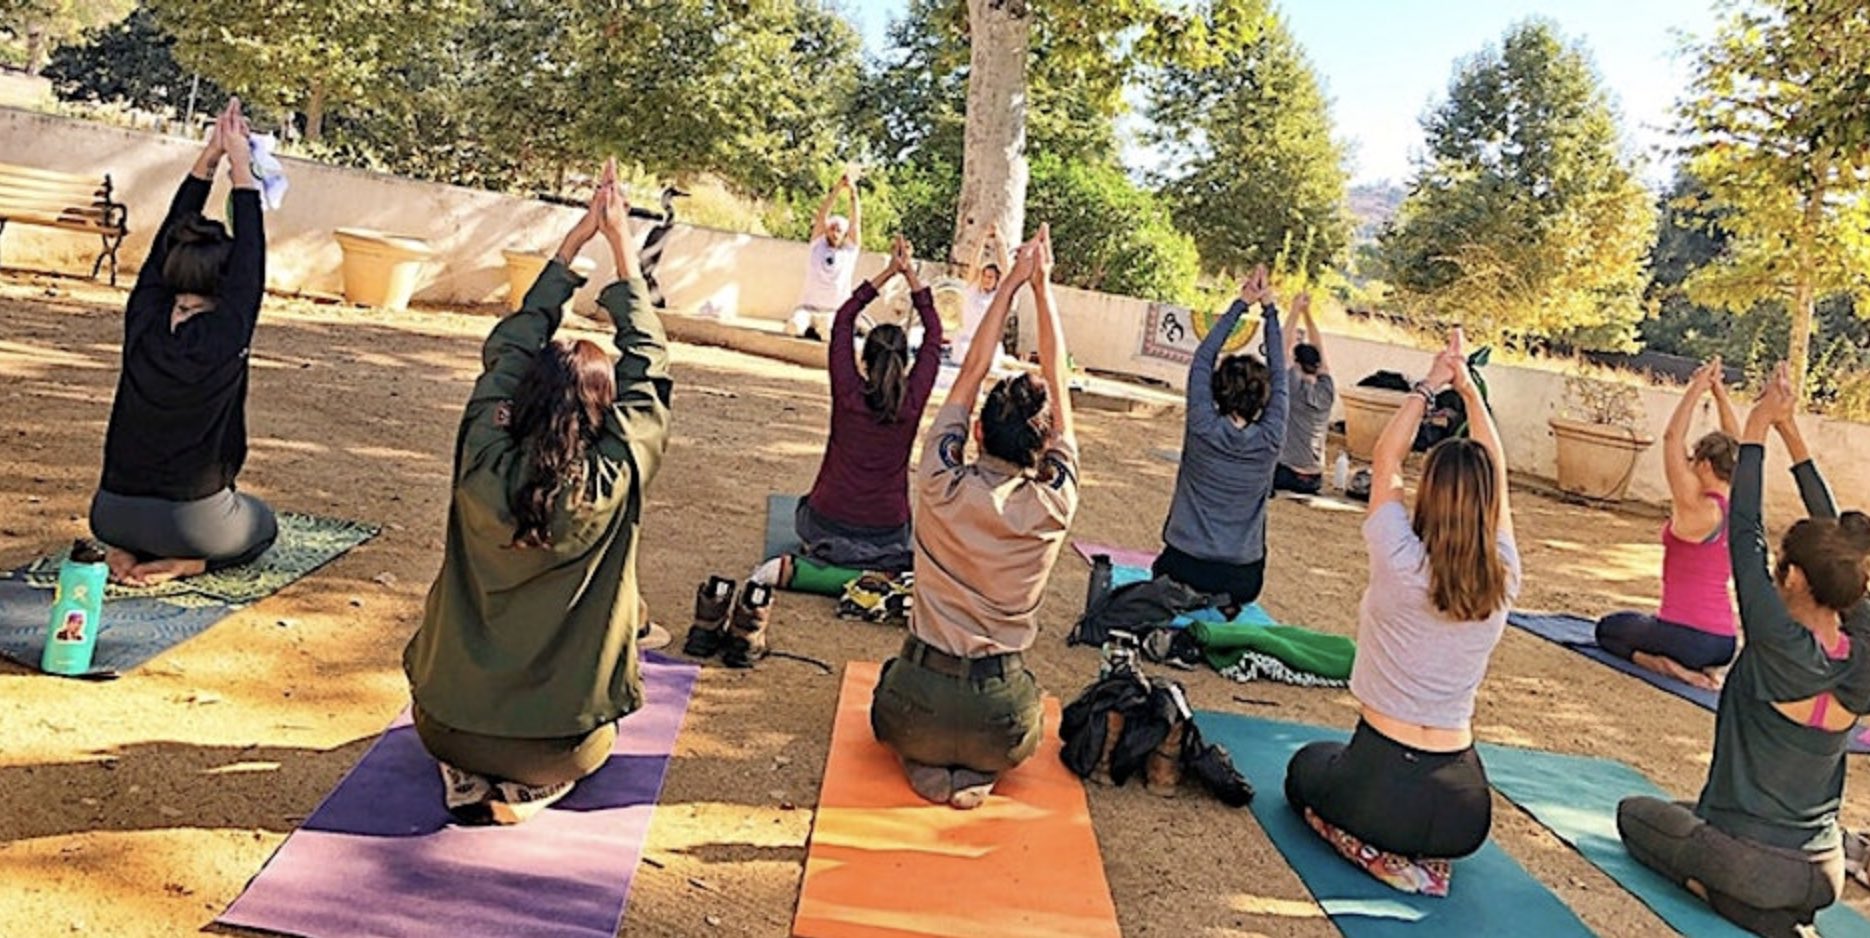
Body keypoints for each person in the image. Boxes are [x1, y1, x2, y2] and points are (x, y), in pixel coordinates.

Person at [403, 160, 673, 825]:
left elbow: (508, 350)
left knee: (451, 718)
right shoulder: (614, 471)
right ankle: (532, 788)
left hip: (444, 730)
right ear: (602, 413)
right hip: (563, 746)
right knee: (596, 738)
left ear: (520, 402)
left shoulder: (482, 454)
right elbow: (650, 370)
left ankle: (467, 774)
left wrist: (571, 249)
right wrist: (623, 254)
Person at [1618, 364, 1870, 937]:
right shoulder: (1863, 649)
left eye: (1784, 573)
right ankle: (1772, 907)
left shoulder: (1776, 637)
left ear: (1798, 580)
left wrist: (1759, 428)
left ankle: (1730, 899)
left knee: (1635, 814)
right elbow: (1841, 549)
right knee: (1686, 812)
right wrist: (1790, 432)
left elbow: (1746, 528)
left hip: (1750, 863)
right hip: (1823, 871)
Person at [1285, 329, 1518, 869]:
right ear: (1489, 504)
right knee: (1335, 772)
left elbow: (1387, 457)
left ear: (1429, 494)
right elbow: (1497, 474)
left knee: (1306, 768)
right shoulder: (1503, 573)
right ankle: (1417, 861)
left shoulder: (1400, 558)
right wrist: (1470, 392)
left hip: (1379, 786)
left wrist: (1431, 384)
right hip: (1465, 812)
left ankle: (1375, 850)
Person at [870, 225, 1078, 810]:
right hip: (999, 716)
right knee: (1021, 709)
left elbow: (968, 375)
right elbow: (1059, 390)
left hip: (917, 703)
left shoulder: (939, 482)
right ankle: (977, 765)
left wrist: (1011, 282)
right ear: (1043, 449)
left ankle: (926, 755)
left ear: (978, 432)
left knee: (893, 687)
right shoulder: (1052, 503)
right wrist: (1045, 290)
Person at [684, 234, 943, 667]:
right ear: (904, 361)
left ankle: (796, 570)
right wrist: (911, 276)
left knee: (806, 514)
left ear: (864, 360)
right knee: (905, 557)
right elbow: (935, 333)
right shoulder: (912, 402)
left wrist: (885, 274)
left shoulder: (848, 392)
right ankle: (859, 573)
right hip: (886, 536)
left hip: (823, 523)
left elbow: (843, 320)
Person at [90, 98, 278, 587]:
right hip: (191, 524)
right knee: (263, 524)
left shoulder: (144, 318)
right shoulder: (226, 331)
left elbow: (162, 248)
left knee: (154, 512)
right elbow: (251, 258)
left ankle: (125, 552)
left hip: (109, 515)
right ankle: (189, 562)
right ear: (226, 284)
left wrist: (210, 160)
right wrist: (241, 165)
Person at [1596, 358, 1741, 690]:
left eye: (1693, 461)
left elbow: (1673, 437)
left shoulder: (1696, 507)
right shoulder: (1741, 502)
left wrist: (1696, 388)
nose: (1688, 466)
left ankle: (1671, 668)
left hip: (1686, 639)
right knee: (1647, 624)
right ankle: (1698, 668)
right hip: (1724, 643)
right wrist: (1718, 392)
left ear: (1704, 464)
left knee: (1608, 629)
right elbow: (1741, 446)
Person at [1154, 266, 1289, 613]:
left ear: (1217, 389)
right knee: (1241, 583)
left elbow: (1203, 357)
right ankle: (1225, 605)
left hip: (1184, 565)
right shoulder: (1271, 436)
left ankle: (1187, 596)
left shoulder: (1202, 425)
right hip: (1241, 577)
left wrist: (1242, 303)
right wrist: (1270, 308)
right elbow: (1280, 371)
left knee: (1164, 572)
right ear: (1264, 397)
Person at [786, 171, 863, 341]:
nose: (835, 232)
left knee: (828, 333)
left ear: (844, 234)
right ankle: (808, 330)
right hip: (807, 308)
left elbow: (856, 221)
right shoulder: (817, 245)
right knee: (793, 328)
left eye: (839, 230)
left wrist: (853, 192)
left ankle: (819, 332)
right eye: (832, 228)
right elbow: (822, 214)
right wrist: (837, 189)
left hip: (833, 311)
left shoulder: (849, 252)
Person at [1273, 292, 1336, 495]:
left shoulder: (1294, 387)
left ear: (1297, 364)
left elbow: (1283, 346)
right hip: (1314, 479)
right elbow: (1321, 349)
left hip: (1287, 474)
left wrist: (1294, 311)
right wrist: (1307, 314)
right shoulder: (1327, 390)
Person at [951, 228, 1013, 366]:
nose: (986, 279)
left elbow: (1006, 269)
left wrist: (1000, 241)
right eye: (984, 276)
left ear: (996, 280)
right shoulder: (972, 289)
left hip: (987, 345)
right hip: (965, 342)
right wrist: (982, 238)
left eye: (990, 277)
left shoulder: (998, 296)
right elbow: (974, 262)